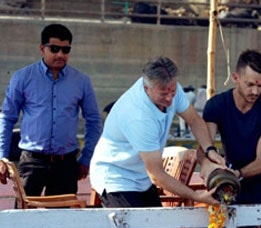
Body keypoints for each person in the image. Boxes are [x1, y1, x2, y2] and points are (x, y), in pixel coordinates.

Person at [89, 56, 226, 208]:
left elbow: (194, 120)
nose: (169, 99)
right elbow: (156, 175)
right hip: (117, 177)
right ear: (147, 88)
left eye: (172, 92)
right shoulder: (138, 116)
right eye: (163, 94)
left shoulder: (171, 87)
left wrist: (210, 149)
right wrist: (196, 196)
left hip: (142, 176)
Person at [0, 23, 102, 198]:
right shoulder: (23, 78)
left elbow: (94, 121)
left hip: (66, 162)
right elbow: (7, 118)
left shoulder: (81, 81)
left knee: (61, 219)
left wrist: (86, 158)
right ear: (42, 49)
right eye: (54, 48)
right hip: (32, 161)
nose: (60, 54)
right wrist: (2, 158)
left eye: (65, 50)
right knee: (23, 218)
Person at [202, 49, 261, 205]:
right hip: (228, 182)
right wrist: (208, 164)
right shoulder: (216, 105)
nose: (255, 91)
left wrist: (237, 173)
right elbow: (204, 144)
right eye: (250, 85)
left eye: (260, 86)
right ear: (236, 78)